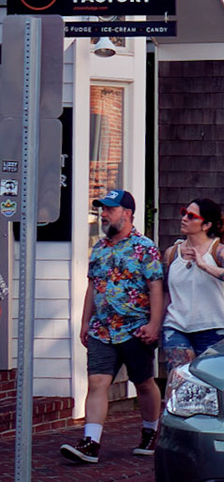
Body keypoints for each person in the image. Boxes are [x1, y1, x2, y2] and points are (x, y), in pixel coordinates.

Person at [60, 188, 166, 465]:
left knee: (143, 383)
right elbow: (92, 286)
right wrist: (85, 321)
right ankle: (91, 443)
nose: (103, 215)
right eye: (102, 210)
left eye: (109, 209)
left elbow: (156, 287)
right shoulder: (100, 248)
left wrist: (154, 324)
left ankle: (150, 432)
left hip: (135, 328)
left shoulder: (145, 247)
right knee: (97, 382)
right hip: (102, 329)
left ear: (127, 213)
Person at [161, 198, 224, 374]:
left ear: (206, 225)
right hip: (176, 326)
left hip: (212, 326)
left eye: (191, 216)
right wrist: (156, 325)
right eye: (184, 213)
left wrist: (204, 266)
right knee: (180, 377)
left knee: (209, 378)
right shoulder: (172, 253)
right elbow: (166, 293)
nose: (184, 218)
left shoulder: (218, 251)